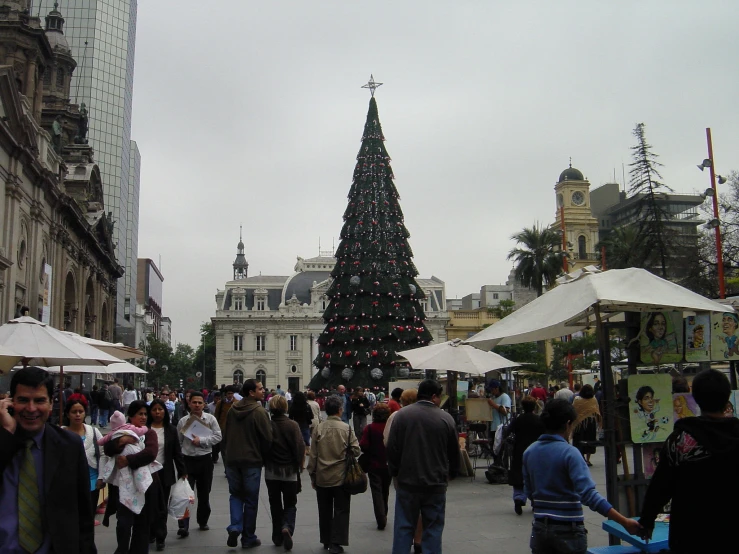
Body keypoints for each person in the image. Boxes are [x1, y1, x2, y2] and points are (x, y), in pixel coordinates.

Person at [639, 369, 739, 553]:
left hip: (689, 535)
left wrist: (647, 521)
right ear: (727, 400)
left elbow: (660, 485)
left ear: (695, 398)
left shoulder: (681, 440)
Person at [523, 399, 641, 553]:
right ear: (567, 424)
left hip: (540, 529)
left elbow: (529, 492)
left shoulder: (529, 452)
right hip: (568, 531)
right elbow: (589, 496)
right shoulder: (569, 453)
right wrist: (624, 521)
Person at [0, 366, 97, 553]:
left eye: (39, 400)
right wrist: (6, 436)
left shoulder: (69, 445)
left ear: (51, 404)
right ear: (10, 402)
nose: (31, 408)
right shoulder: (3, 440)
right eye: (23, 400)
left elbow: (84, 514)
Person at [386, 379, 459, 554]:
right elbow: (454, 452)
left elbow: (392, 448)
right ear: (434, 396)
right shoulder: (445, 418)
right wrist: (451, 473)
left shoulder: (402, 416)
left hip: (407, 480)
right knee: (433, 528)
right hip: (435, 482)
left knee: (403, 526)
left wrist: (395, 471)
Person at [102, 399, 161, 554]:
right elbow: (107, 448)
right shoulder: (120, 432)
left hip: (146, 486)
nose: (143, 417)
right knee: (123, 524)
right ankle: (122, 549)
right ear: (130, 416)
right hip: (123, 486)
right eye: (139, 414)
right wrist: (122, 440)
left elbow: (150, 453)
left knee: (142, 525)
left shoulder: (149, 433)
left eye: (145, 414)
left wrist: (128, 460)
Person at [223, 379, 272, 549]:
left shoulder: (232, 409)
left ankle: (235, 526)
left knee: (235, 495)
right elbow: (267, 438)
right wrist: (265, 458)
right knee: (251, 500)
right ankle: (248, 537)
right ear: (251, 392)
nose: (263, 390)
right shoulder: (259, 412)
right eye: (260, 389)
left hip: (232, 459)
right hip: (251, 461)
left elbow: (226, 434)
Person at [308, 394, 360, 554]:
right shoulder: (346, 428)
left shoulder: (319, 428)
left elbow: (313, 454)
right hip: (341, 476)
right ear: (339, 410)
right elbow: (356, 449)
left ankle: (326, 538)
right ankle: (336, 542)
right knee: (341, 510)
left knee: (324, 509)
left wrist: (312, 473)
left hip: (322, 475)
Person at [176, 391, 222, 537]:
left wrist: (201, 441)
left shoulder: (210, 419)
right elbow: (179, 442)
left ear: (204, 404)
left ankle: (203, 521)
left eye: (199, 403)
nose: (196, 405)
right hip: (187, 460)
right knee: (185, 495)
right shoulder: (183, 421)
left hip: (205, 460)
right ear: (189, 404)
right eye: (194, 402)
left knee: (204, 494)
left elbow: (218, 436)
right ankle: (183, 525)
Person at [266, 395, 305, 551]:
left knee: (275, 504)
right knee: (290, 503)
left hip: (271, 471)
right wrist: (298, 465)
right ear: (285, 407)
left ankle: (277, 536)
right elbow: (299, 447)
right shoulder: (292, 425)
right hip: (289, 471)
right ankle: (287, 526)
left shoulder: (268, 424)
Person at [148, 398, 186, 551]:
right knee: (149, 504)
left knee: (162, 505)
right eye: (154, 410)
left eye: (160, 409)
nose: (157, 412)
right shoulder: (144, 429)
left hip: (164, 472)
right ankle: (149, 531)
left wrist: (182, 471)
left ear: (165, 411)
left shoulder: (171, 429)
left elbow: (177, 452)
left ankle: (160, 536)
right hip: (146, 472)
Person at [509, 395, 545, 515]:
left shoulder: (518, 419)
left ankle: (519, 498)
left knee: (519, 476)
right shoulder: (539, 420)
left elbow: (507, 431)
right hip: (536, 451)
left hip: (519, 450)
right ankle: (535, 501)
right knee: (535, 476)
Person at [360, 402, 391, 530]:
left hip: (373, 464)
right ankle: (385, 512)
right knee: (385, 490)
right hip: (388, 464)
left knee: (376, 491)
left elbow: (364, 445)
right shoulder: (390, 427)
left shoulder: (370, 428)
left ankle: (380, 517)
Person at [572, 384, 601, 467]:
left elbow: (574, 410)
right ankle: (588, 460)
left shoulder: (577, 399)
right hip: (591, 422)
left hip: (579, 423)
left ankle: (581, 458)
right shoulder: (594, 399)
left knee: (579, 440)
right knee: (590, 440)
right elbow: (596, 410)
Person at [288, 391, 313, 470]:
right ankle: (302, 463)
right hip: (305, 426)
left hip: (295, 426)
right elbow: (311, 416)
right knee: (304, 445)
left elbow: (290, 417)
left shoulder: (293, 406)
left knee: (296, 444)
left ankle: (296, 460)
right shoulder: (306, 406)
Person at [213, 385, 236, 466]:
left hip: (234, 430)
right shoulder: (221, 403)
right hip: (222, 429)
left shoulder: (237, 403)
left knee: (232, 450)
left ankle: (231, 466)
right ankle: (227, 468)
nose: (230, 395)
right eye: (229, 393)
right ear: (225, 394)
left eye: (232, 393)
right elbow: (216, 416)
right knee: (223, 450)